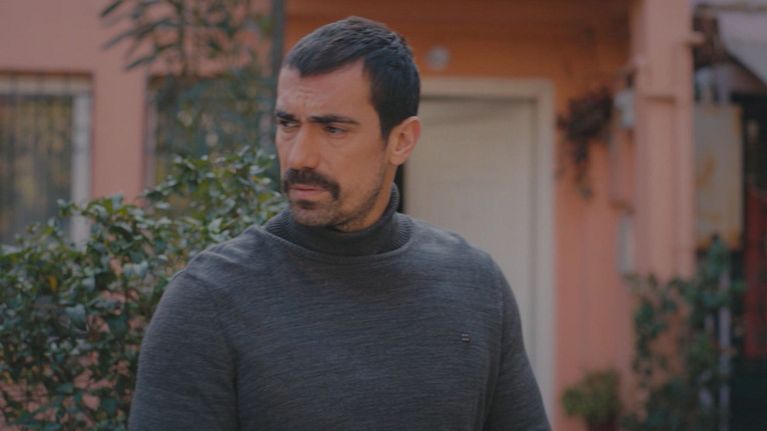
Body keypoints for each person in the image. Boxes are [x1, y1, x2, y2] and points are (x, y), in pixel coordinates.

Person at [129, 16, 550, 431]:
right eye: (287, 124)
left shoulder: (476, 285)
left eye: (332, 129)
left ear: (401, 141)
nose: (299, 157)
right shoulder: (209, 299)